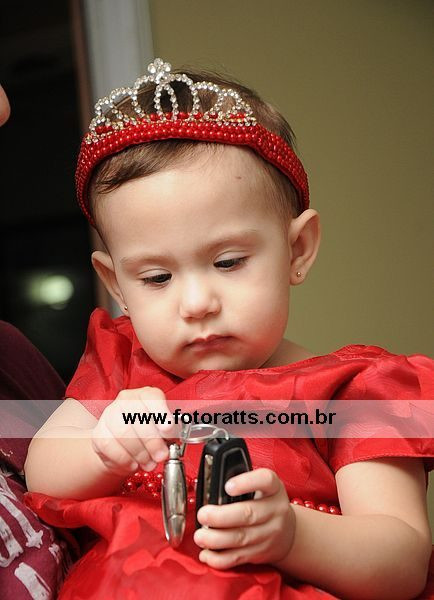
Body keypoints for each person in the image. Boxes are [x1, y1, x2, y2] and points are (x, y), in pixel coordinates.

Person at [23, 59, 434, 599]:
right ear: (116, 284)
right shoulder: (121, 366)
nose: (197, 304)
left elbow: (402, 561)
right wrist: (103, 445)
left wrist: (293, 535)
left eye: (228, 262)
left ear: (297, 249)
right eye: (157, 277)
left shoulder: (354, 392)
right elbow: (41, 473)